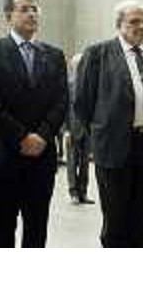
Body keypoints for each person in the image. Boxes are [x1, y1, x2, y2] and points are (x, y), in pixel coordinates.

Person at [0, 0, 68, 248]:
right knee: (2, 232)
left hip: (42, 158)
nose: (32, 13)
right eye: (24, 8)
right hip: (3, 156)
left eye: (35, 9)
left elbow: (62, 101)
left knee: (37, 232)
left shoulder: (54, 55)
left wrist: (41, 136)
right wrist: (22, 137)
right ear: (8, 16)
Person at [75, 0, 143, 248]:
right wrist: (100, 137)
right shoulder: (98, 54)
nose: (140, 26)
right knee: (117, 221)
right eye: (133, 21)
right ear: (119, 25)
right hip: (115, 148)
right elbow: (82, 103)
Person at [66, 53, 94, 205]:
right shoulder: (68, 85)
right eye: (79, 64)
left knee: (85, 163)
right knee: (72, 162)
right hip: (72, 129)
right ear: (73, 66)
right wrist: (65, 130)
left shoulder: (89, 84)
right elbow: (63, 109)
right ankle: (73, 193)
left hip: (87, 130)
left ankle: (83, 192)